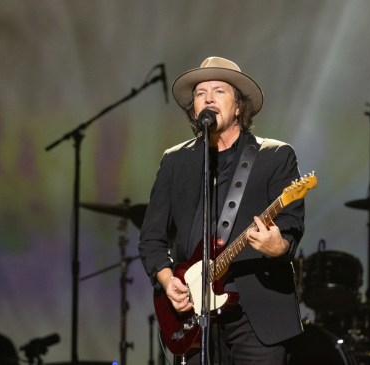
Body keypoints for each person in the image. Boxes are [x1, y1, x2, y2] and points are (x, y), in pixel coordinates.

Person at [138, 56, 306, 365]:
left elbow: (291, 224)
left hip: (256, 315)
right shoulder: (175, 161)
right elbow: (151, 238)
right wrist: (166, 280)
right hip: (194, 316)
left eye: (219, 91)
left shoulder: (275, 156)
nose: (208, 98)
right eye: (201, 93)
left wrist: (277, 245)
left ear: (239, 106)